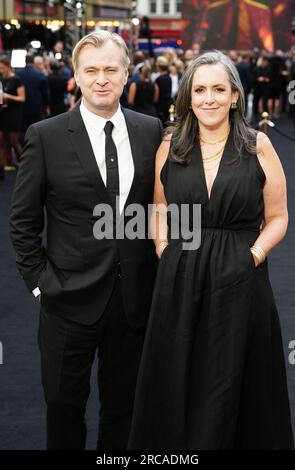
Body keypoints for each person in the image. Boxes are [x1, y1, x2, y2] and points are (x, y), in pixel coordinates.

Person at [128, 51, 294, 449]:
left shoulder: (258, 145)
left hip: (241, 279)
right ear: (187, 97)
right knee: (181, 374)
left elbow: (278, 217)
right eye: (199, 90)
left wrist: (252, 256)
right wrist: (166, 250)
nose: (209, 98)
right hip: (180, 278)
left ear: (235, 95)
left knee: (236, 378)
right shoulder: (172, 145)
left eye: (219, 89)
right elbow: (160, 208)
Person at [10, 31, 162, 450]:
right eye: (91, 70)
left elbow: (162, 207)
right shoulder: (46, 135)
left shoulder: (151, 130)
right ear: (75, 76)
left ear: (126, 73)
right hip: (66, 299)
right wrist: (40, 282)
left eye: (111, 69)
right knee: (62, 405)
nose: (102, 79)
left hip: (134, 300)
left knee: (124, 408)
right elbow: (23, 219)